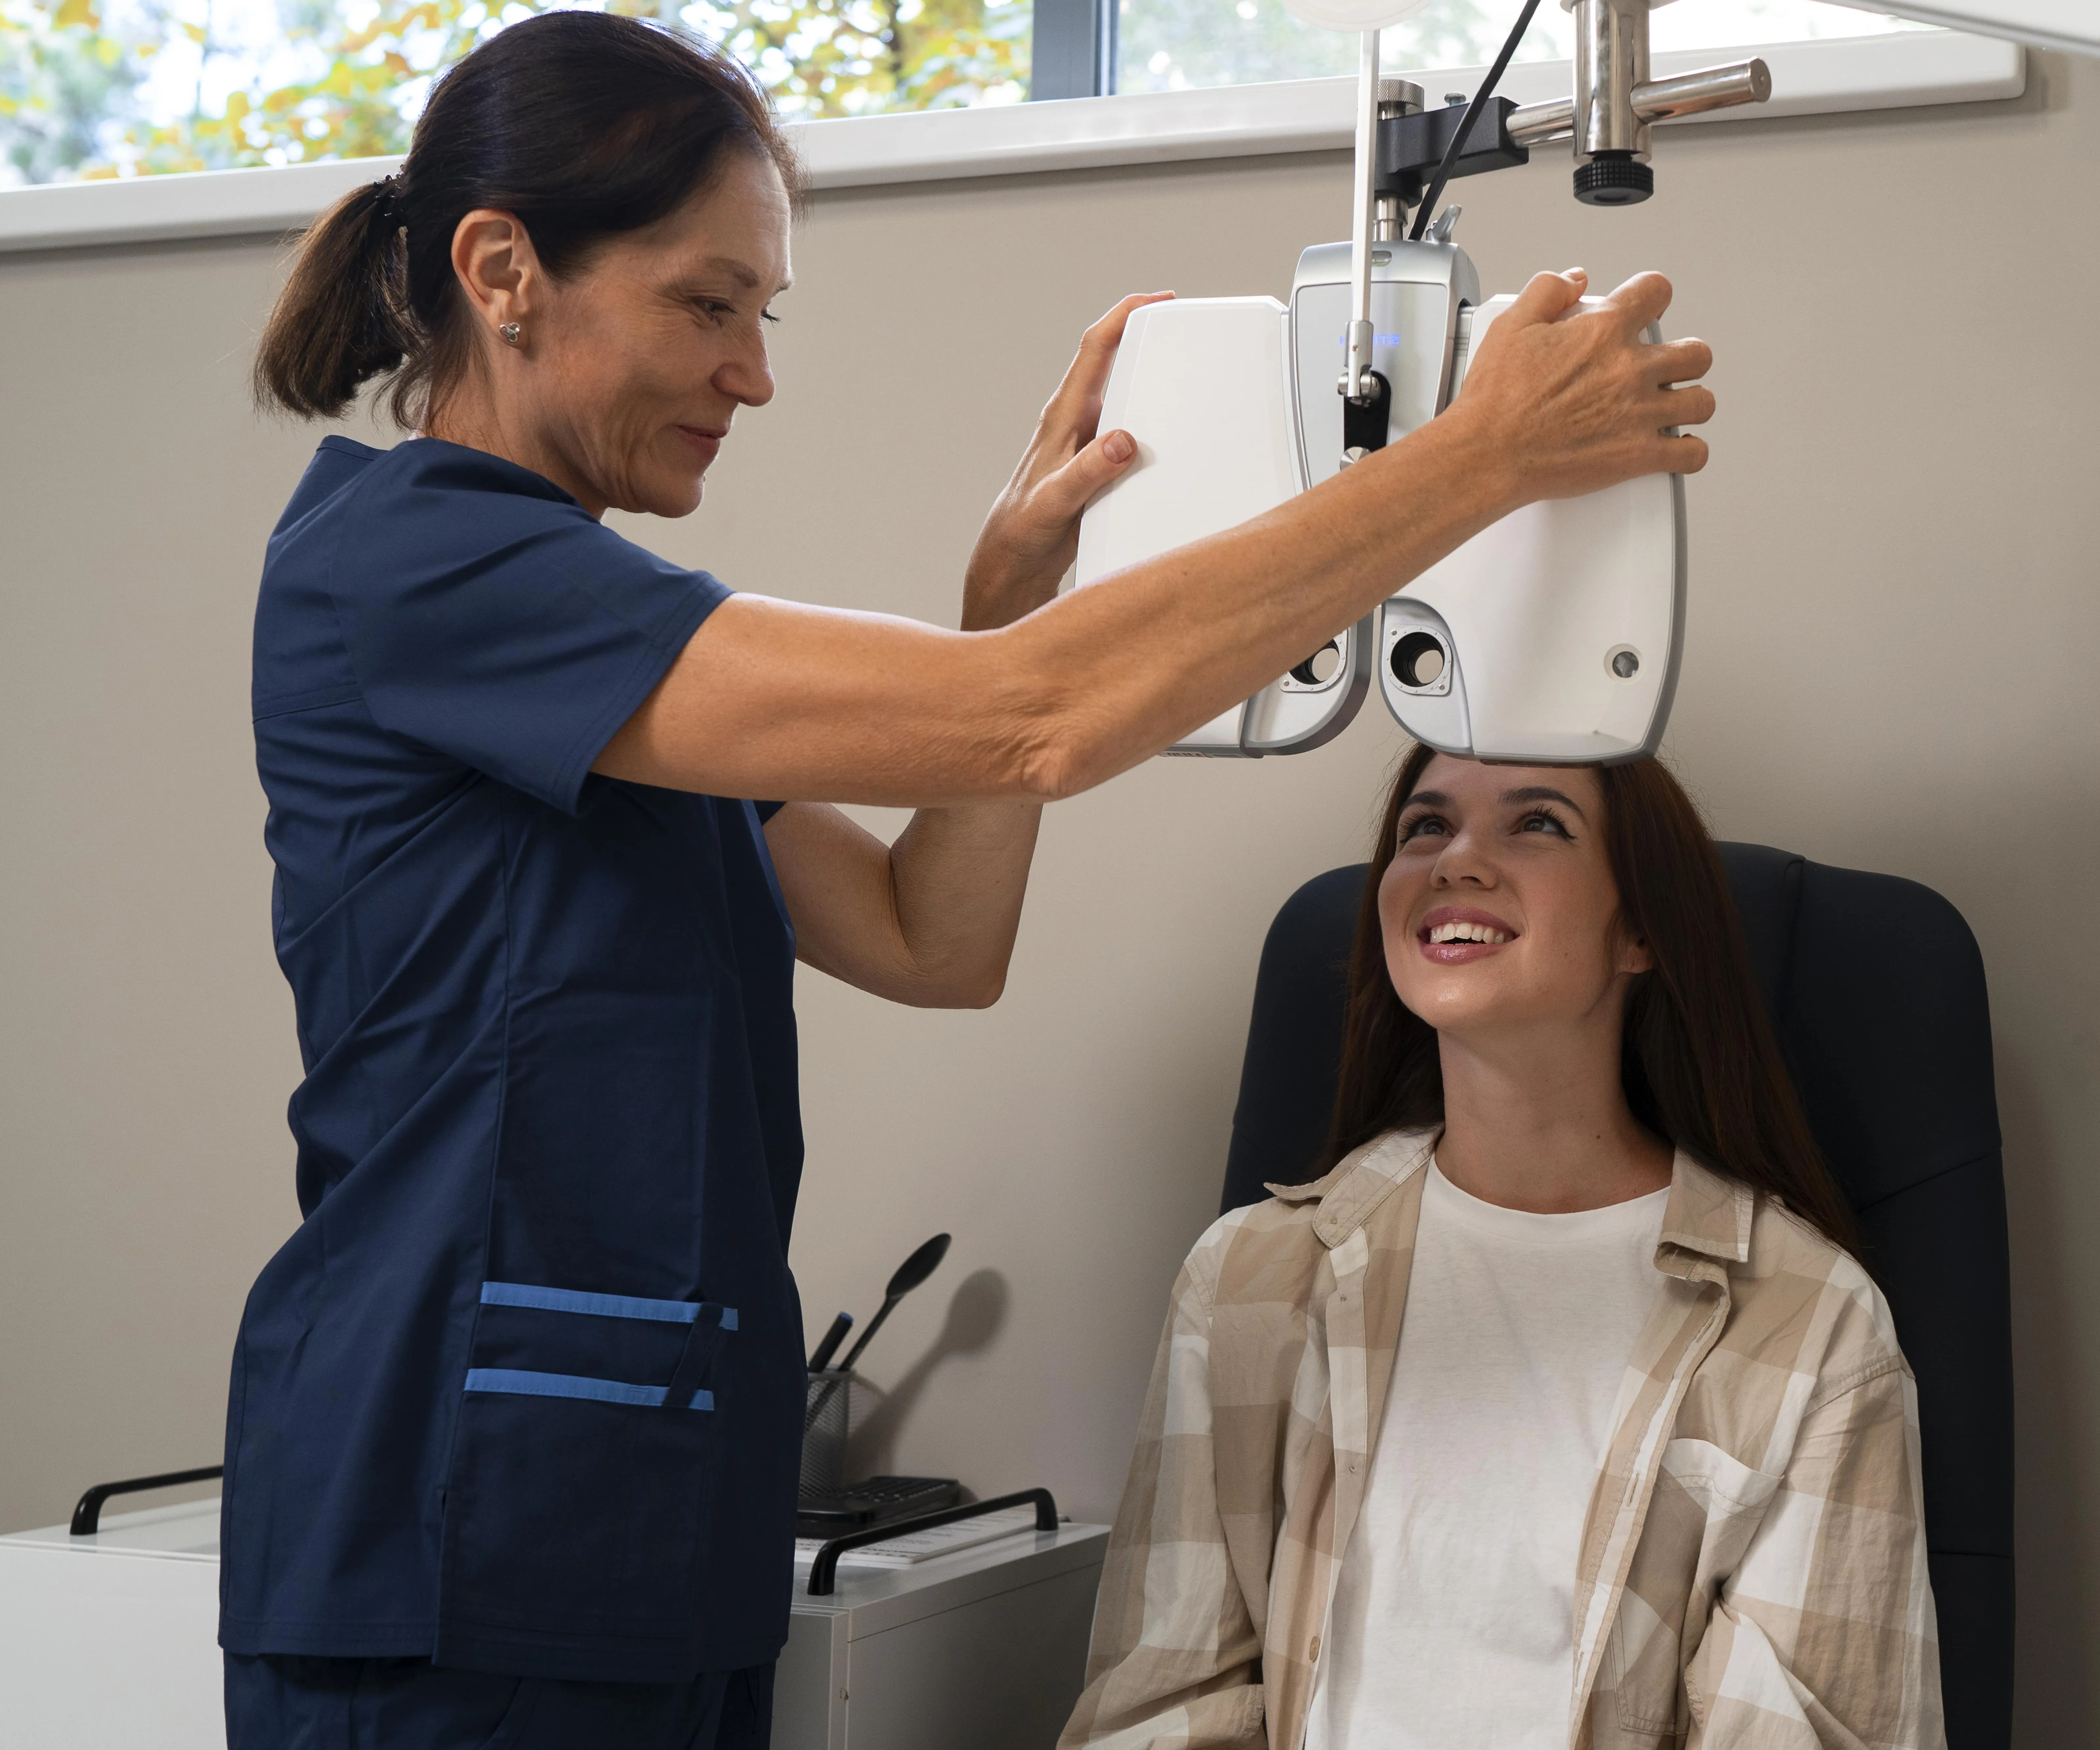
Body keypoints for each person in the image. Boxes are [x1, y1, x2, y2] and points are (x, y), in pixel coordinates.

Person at [222, 8, 1715, 1745]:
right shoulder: (421, 569)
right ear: (503, 267)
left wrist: (1005, 604)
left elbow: (936, 938)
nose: (753, 373)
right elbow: (1041, 726)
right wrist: (1478, 460)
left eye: (763, 320)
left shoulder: (605, 660)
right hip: (447, 1525)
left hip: (639, 1522)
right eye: (709, 305)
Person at [1063, 747, 1945, 1750]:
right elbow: (1158, 1711)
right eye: (1424, 827)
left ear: (1643, 930)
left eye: (1537, 823)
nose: (1456, 860)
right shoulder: (1246, 1283)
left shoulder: (1811, 1323)